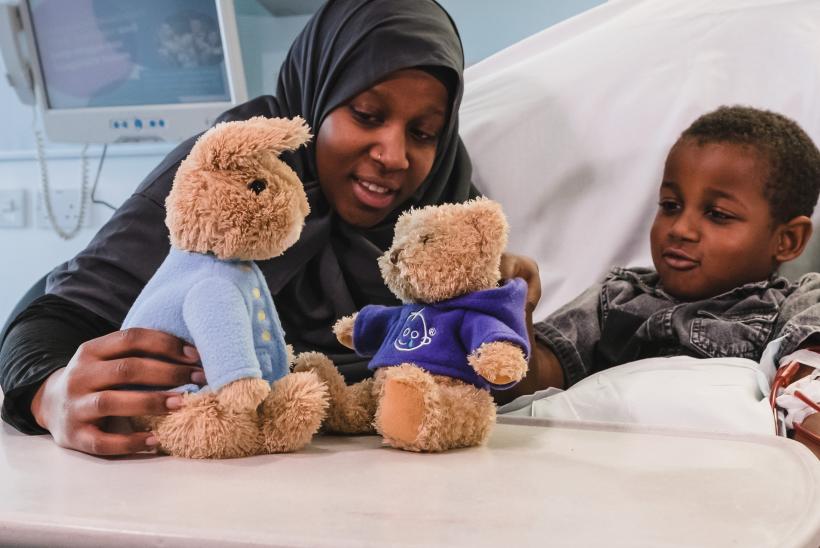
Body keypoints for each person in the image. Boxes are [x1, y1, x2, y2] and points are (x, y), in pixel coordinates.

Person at [0, 0, 541, 457]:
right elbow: (52, 320)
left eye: (423, 133)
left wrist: (510, 311)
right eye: (367, 115)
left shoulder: (443, 208)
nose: (394, 155)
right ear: (318, 97)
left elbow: (472, 365)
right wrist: (47, 395)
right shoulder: (232, 176)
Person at [513, 105, 820, 455]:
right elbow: (525, 390)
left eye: (717, 215)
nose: (680, 229)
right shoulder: (615, 300)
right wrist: (512, 313)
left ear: (788, 240)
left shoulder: (795, 308)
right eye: (670, 205)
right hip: (596, 477)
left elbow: (806, 403)